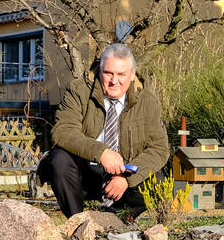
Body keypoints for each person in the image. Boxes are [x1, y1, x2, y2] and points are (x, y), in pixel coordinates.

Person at [38, 43, 170, 217]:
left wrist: (126, 178)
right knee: (59, 160)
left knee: (159, 181)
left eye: (121, 74)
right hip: (85, 172)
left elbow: (159, 149)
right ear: (100, 71)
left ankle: (116, 219)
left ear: (131, 75)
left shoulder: (148, 101)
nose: (114, 81)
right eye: (109, 73)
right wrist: (101, 152)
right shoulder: (78, 90)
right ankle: (78, 221)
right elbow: (63, 131)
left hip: (124, 174)